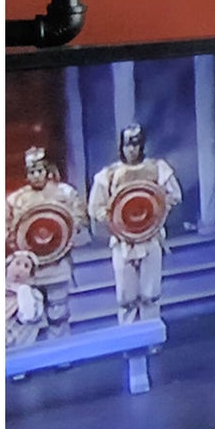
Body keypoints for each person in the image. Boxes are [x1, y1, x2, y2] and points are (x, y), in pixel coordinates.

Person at [88, 123, 183, 326]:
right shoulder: (109, 174)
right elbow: (96, 206)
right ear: (120, 146)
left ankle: (151, 336)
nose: (131, 149)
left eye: (135, 144)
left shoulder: (157, 169)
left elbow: (174, 195)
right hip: (123, 241)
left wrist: (158, 206)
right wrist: (113, 218)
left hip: (150, 237)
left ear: (142, 145)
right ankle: (128, 339)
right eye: (127, 145)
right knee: (126, 297)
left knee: (150, 294)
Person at [6, 146, 89, 338]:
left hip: (56, 261)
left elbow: (78, 216)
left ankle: (61, 350)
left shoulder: (64, 193)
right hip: (28, 266)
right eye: (32, 172)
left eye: (40, 170)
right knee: (29, 312)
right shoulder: (16, 199)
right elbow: (7, 227)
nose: (36, 175)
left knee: (58, 309)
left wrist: (67, 232)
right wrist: (15, 244)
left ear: (47, 170)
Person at [6, 251, 46, 350]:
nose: (20, 269)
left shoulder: (32, 295)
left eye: (26, 266)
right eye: (17, 263)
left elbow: (28, 316)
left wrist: (22, 291)